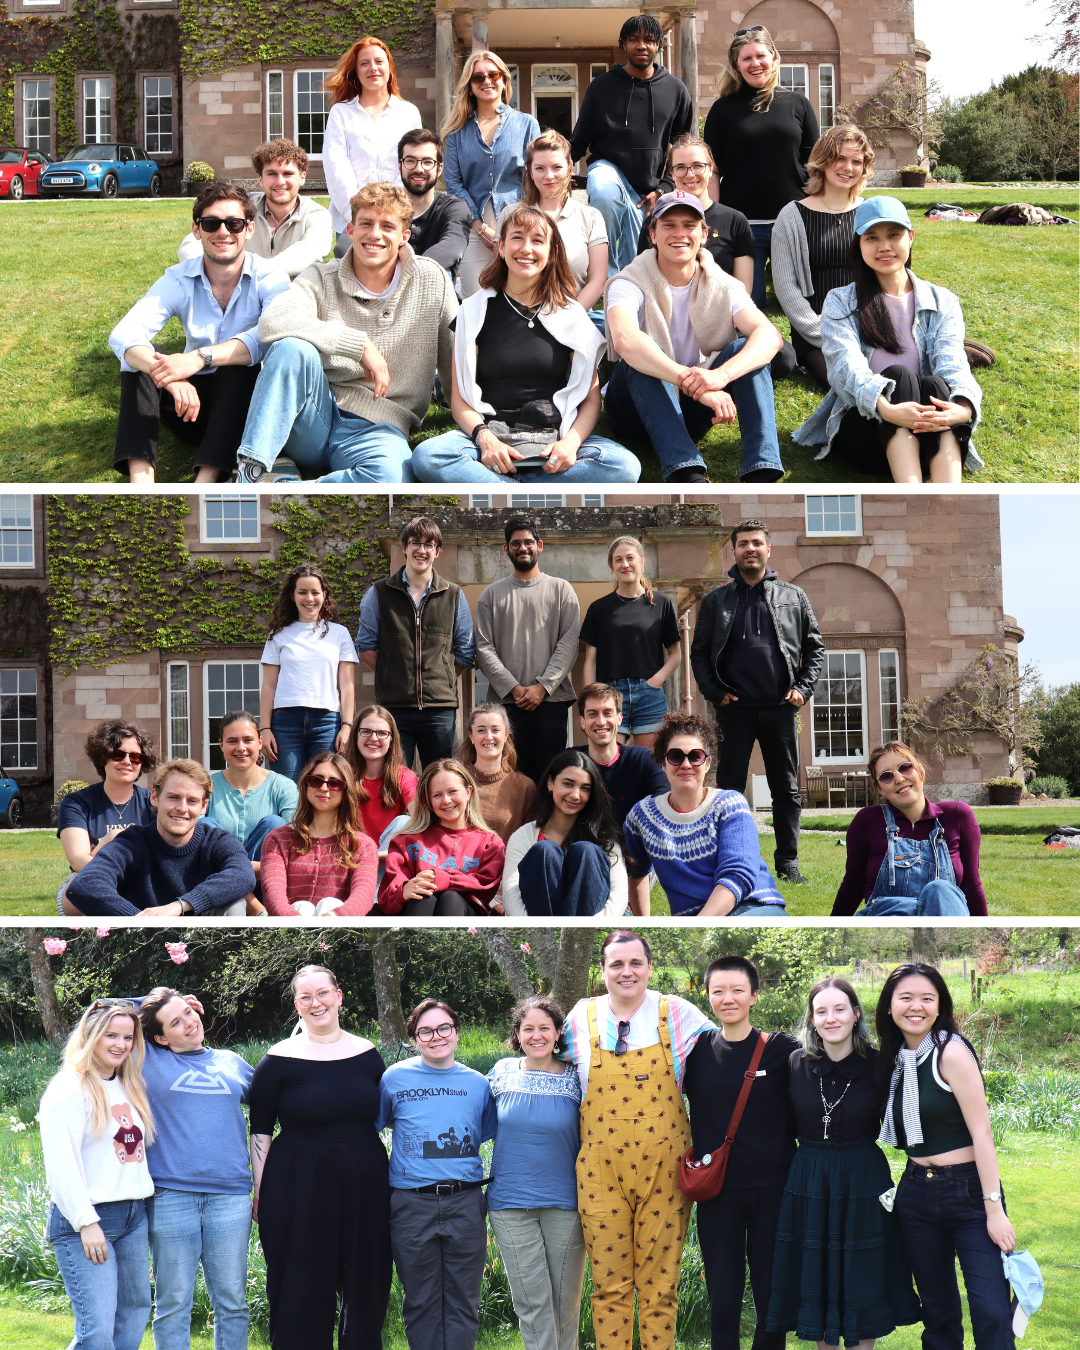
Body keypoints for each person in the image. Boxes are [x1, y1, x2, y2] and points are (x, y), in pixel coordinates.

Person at [232, 182, 456, 484]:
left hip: (381, 425)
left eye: (387, 226)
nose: (374, 234)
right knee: (291, 349)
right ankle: (251, 472)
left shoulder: (433, 280)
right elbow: (271, 321)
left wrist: (476, 422)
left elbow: (454, 360)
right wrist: (357, 344)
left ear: (404, 237)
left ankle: (286, 488)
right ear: (350, 230)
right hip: (315, 414)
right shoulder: (322, 276)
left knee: (390, 477)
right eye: (366, 223)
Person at [411, 203, 640, 484]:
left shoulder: (572, 316)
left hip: (553, 438)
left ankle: (503, 490)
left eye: (537, 241)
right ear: (502, 247)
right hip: (490, 438)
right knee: (428, 455)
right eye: (517, 237)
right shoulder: (473, 312)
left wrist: (569, 444)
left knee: (624, 466)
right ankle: (530, 490)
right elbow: (458, 400)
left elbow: (592, 400)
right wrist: (485, 440)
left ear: (552, 252)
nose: (526, 249)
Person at [561, 931, 712, 1350]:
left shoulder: (678, 1012)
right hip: (599, 1173)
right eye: (616, 964)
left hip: (664, 1173)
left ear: (648, 967)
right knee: (609, 1286)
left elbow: (726, 1060)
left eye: (635, 963)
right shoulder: (579, 1017)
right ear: (603, 970)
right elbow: (544, 1065)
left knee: (660, 1288)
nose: (626, 972)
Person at [766, 978, 921, 1349]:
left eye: (839, 1009)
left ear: (855, 1014)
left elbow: (907, 1120)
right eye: (821, 1011)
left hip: (862, 1175)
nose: (830, 1018)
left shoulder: (882, 1063)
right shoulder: (795, 1063)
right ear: (812, 1019)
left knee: (859, 1275)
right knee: (815, 1277)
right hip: (809, 1177)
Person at [792, 196, 985, 482]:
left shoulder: (943, 301)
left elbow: (952, 362)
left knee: (935, 385)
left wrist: (961, 410)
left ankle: (949, 494)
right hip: (867, 432)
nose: (884, 246)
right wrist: (888, 409)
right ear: (858, 244)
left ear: (911, 237)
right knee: (899, 376)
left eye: (894, 235)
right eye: (872, 237)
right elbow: (846, 368)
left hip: (927, 432)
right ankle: (910, 490)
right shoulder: (840, 301)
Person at [249, 965, 391, 1350]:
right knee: (300, 1280)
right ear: (297, 1005)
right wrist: (261, 1193)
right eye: (306, 997)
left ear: (339, 995)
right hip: (297, 1180)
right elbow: (260, 1129)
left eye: (323, 993)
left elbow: (387, 1115)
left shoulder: (368, 1054)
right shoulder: (278, 1059)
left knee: (366, 1277)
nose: (317, 1003)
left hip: (366, 1178)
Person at [876, 963, 1017, 1349]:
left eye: (927, 998)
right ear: (889, 1006)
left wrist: (994, 1208)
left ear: (940, 1006)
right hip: (916, 1193)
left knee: (991, 1310)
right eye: (905, 998)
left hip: (969, 1192)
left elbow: (982, 1132)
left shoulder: (950, 1051)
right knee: (938, 1313)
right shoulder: (895, 1060)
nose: (915, 1006)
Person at [109, 183, 290, 484]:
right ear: (196, 230)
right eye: (211, 223)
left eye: (233, 223)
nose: (223, 232)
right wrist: (169, 375)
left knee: (241, 366)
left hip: (244, 409)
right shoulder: (178, 279)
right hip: (186, 406)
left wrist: (199, 358)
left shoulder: (270, 276)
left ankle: (205, 480)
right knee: (137, 363)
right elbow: (123, 334)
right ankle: (141, 483)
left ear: (249, 229)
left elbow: (269, 335)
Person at [604, 191, 785, 484]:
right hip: (634, 407)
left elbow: (770, 336)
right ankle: (687, 474)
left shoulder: (724, 284)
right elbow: (625, 339)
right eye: (668, 225)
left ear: (703, 234)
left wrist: (720, 376)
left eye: (689, 225)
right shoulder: (628, 281)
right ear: (652, 234)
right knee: (648, 351)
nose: (680, 234)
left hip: (691, 406)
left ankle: (761, 469)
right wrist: (698, 386)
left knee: (747, 349)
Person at [690, 518, 824, 885]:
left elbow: (815, 648)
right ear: (733, 551)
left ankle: (787, 862)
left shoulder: (793, 596)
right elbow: (699, 653)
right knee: (729, 790)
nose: (750, 548)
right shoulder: (717, 600)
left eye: (757, 542)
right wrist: (715, 694)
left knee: (786, 788)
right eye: (743, 543)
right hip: (734, 711)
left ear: (768, 549)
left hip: (781, 707)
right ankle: (732, 859)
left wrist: (803, 689)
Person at [682, 957, 799, 1350]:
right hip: (719, 1191)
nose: (727, 998)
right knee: (723, 1294)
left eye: (737, 990)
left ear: (754, 995)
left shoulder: (783, 1050)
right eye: (718, 991)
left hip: (774, 1188)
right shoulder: (695, 1053)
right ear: (707, 996)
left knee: (772, 1293)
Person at [377, 999, 498, 1350]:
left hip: (465, 1202)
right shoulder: (394, 1078)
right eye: (425, 1031)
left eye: (444, 1028)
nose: (436, 1037)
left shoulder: (477, 1084)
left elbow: (484, 1132)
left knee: (464, 1300)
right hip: (411, 1204)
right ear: (415, 1039)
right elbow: (375, 1127)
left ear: (457, 1033)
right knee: (420, 1301)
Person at [138, 989, 254, 1350]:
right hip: (171, 1195)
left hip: (230, 1197)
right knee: (173, 1304)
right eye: (176, 1021)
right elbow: (103, 1012)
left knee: (232, 1303)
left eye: (189, 1012)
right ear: (160, 1037)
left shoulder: (231, 1061)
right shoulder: (148, 1060)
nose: (190, 1022)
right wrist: (152, 999)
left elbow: (277, 1100)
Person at [39, 999, 155, 1350]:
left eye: (128, 1037)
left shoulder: (128, 1085)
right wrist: (86, 1222)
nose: (121, 1044)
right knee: (97, 1328)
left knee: (134, 1311)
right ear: (90, 1035)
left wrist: (170, 1003)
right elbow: (62, 1165)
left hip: (133, 1216)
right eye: (110, 1035)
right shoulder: (68, 1089)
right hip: (88, 1220)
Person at [486, 997, 587, 1350]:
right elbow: (470, 1120)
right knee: (532, 1303)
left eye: (545, 1027)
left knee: (565, 1303)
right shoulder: (501, 1073)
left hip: (567, 1204)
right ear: (517, 1034)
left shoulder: (579, 1077)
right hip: (510, 1205)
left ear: (559, 1032)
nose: (537, 1035)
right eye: (528, 1028)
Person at [622, 712, 788, 918]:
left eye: (695, 756)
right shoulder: (642, 817)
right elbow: (636, 874)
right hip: (693, 920)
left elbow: (738, 875)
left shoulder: (729, 805)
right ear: (662, 763)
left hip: (751, 906)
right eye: (675, 756)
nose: (686, 764)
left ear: (707, 763)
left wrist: (699, 924)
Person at [702, 25, 819, 309]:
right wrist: (713, 217)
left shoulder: (798, 104)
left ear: (774, 57)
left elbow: (816, 164)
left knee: (802, 303)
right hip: (744, 224)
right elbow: (713, 170)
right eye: (746, 58)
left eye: (761, 55)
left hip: (792, 221)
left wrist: (817, 211)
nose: (755, 63)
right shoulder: (723, 110)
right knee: (747, 305)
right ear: (736, 65)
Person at [569, 14, 694, 273]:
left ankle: (624, 290)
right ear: (623, 44)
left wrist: (664, 187)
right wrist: (561, 167)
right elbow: (580, 137)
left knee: (636, 260)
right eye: (634, 39)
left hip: (646, 187)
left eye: (649, 40)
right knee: (604, 195)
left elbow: (684, 149)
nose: (642, 46)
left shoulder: (675, 90)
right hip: (607, 168)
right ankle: (602, 276)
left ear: (659, 45)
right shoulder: (602, 86)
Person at [355, 515, 475, 766]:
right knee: (395, 780)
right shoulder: (378, 592)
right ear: (404, 548)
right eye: (415, 543)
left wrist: (441, 677)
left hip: (440, 708)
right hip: (393, 708)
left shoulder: (454, 594)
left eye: (428, 545)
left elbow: (465, 651)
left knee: (442, 778)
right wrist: (394, 674)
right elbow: (365, 646)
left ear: (437, 551)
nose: (421, 550)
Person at [65, 759, 256, 917]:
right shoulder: (131, 843)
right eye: (173, 797)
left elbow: (243, 875)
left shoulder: (217, 840)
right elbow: (84, 885)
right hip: (143, 944)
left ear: (204, 807)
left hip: (205, 942)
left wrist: (180, 905)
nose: (182, 808)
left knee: (234, 902)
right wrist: (140, 922)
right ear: (155, 797)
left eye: (192, 801)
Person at [474, 516, 581, 784]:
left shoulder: (562, 590)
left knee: (550, 779)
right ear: (506, 549)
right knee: (509, 781)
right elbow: (484, 647)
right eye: (516, 543)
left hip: (551, 703)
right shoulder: (490, 595)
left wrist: (542, 687)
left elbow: (569, 643)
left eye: (529, 542)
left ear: (540, 545)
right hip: (505, 706)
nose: (523, 548)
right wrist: (514, 688)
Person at [770, 124, 874, 388]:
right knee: (847, 382)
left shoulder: (871, 213)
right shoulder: (791, 216)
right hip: (816, 332)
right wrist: (824, 334)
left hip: (869, 326)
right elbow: (786, 289)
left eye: (856, 161)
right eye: (840, 158)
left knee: (894, 370)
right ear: (823, 160)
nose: (848, 168)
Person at [833, 741, 985, 917]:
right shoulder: (867, 821)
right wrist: (830, 936)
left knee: (941, 889)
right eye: (886, 776)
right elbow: (852, 886)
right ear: (880, 788)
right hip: (889, 923)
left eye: (905, 767)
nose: (899, 778)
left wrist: (988, 939)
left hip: (943, 920)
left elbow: (972, 886)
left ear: (920, 770)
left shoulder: (957, 816)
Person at [442, 50, 540, 298]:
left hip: (520, 227)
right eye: (478, 78)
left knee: (520, 299)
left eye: (493, 74)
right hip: (473, 228)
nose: (487, 81)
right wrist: (479, 226)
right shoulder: (456, 132)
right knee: (476, 299)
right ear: (470, 86)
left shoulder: (527, 124)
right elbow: (454, 184)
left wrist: (516, 225)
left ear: (504, 79)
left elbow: (533, 178)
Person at [322, 37, 422, 255]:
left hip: (393, 219)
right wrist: (358, 217)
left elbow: (411, 164)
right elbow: (336, 166)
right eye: (364, 63)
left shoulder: (408, 113)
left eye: (379, 61)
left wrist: (391, 213)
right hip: (351, 220)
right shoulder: (341, 112)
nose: (373, 68)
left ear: (390, 67)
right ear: (356, 72)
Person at [177, 139, 333, 279]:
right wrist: (216, 273)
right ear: (260, 179)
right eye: (271, 174)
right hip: (239, 291)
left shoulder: (317, 215)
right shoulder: (241, 206)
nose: (280, 182)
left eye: (288, 174)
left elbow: (309, 252)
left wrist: (253, 271)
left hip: (290, 297)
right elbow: (191, 244)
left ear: (302, 177)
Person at [502, 748, 628, 918]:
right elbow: (511, 893)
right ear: (550, 783)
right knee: (544, 850)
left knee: (586, 851)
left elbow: (618, 895)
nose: (575, 795)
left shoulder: (605, 838)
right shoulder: (523, 836)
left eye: (585, 788)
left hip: (586, 930)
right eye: (568, 784)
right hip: (540, 927)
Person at [259, 564, 357, 782]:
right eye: (302, 592)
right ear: (293, 596)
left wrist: (347, 726)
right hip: (284, 723)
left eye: (315, 592)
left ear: (324, 595)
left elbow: (347, 685)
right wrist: (265, 728)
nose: (309, 598)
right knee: (287, 790)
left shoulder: (339, 634)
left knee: (325, 785)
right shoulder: (278, 635)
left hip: (327, 722)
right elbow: (268, 685)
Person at [580, 536, 681, 748]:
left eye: (630, 558)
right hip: (609, 696)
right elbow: (590, 662)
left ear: (642, 561)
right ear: (612, 566)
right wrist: (590, 702)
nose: (625, 564)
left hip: (649, 696)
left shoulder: (661, 603)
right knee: (610, 765)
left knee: (652, 766)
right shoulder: (599, 609)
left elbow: (675, 655)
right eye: (618, 560)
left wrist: (655, 682)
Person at [379, 759, 506, 916]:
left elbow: (486, 885)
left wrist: (446, 880)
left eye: (452, 791)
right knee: (424, 896)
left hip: (467, 918)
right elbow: (386, 898)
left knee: (451, 897)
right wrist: (404, 890)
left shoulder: (490, 843)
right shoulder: (407, 841)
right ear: (429, 801)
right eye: (437, 795)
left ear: (469, 792)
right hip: (417, 911)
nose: (446, 800)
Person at [260, 753, 378, 917]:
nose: (324, 788)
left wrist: (332, 918)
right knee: (302, 907)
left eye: (334, 783)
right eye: (316, 780)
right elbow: (273, 894)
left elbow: (363, 897)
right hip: (290, 931)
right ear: (306, 784)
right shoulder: (277, 840)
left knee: (330, 904)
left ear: (346, 791)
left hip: (338, 932)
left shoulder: (362, 845)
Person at [57, 720, 157, 914]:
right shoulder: (76, 803)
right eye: (118, 755)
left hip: (141, 883)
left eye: (135, 757)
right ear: (103, 758)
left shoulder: (153, 804)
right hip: (92, 879)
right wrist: (107, 842)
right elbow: (78, 861)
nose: (127, 762)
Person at [636, 135, 754, 291]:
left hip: (722, 309)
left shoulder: (735, 221)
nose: (690, 174)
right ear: (671, 173)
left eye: (697, 165)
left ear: (711, 168)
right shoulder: (655, 221)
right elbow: (644, 282)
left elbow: (743, 291)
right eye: (680, 167)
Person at [521, 129, 608, 326]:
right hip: (522, 316)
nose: (549, 176)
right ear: (530, 170)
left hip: (574, 315)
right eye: (540, 168)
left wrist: (569, 318)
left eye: (557, 167)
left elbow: (598, 280)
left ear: (570, 168)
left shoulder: (591, 217)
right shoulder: (512, 215)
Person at [205, 709, 299, 872]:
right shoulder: (206, 786)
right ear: (221, 745)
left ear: (260, 742)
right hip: (217, 880)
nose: (241, 748)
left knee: (275, 824)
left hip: (265, 876)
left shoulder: (284, 786)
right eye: (232, 741)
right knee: (205, 825)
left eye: (248, 740)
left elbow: (295, 840)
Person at [577, 684, 668, 827]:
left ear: (619, 718)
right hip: (584, 846)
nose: (601, 722)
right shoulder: (570, 761)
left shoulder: (643, 760)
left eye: (607, 713)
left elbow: (666, 800)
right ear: (582, 722)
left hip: (632, 844)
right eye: (592, 714)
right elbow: (544, 806)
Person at [457, 702, 538, 844]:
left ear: (506, 734)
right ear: (471, 736)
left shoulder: (524, 787)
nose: (488, 737)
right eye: (481, 730)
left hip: (507, 864)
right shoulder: (454, 780)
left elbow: (530, 841)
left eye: (495, 730)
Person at [397, 128, 472, 276]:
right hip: (386, 289)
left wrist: (406, 273)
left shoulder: (454, 207)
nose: (419, 169)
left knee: (442, 271)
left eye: (427, 162)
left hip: (433, 289)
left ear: (439, 169)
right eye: (410, 161)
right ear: (400, 166)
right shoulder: (383, 204)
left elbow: (453, 247)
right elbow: (346, 244)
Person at [343, 704, 418, 848]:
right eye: (366, 731)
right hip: (351, 858)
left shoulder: (403, 776)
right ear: (355, 736)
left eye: (382, 733)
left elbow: (418, 815)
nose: (373, 738)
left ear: (391, 740)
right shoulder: (342, 775)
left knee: (404, 822)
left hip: (385, 860)